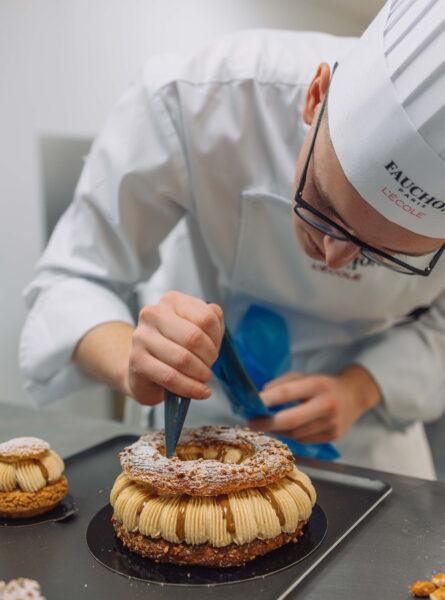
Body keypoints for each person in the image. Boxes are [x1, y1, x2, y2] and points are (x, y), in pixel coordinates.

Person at [20, 0, 445, 479]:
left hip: (367, 436)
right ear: (315, 96)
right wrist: (132, 364)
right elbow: (72, 279)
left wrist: (361, 387)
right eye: (323, 206)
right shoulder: (200, 99)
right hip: (201, 418)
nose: (334, 256)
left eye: (386, 252)